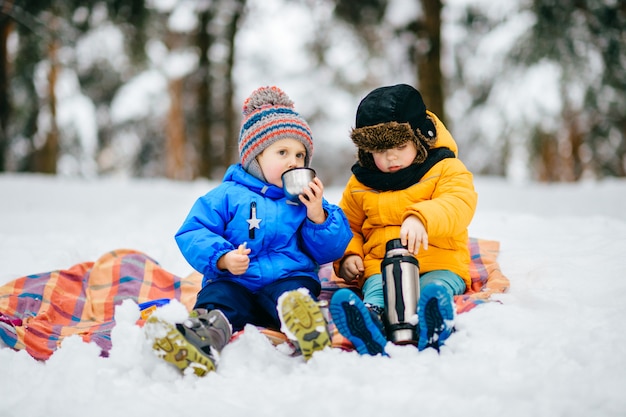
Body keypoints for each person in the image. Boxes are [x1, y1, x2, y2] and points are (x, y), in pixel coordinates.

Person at [147, 86, 352, 376]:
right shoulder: (228, 194)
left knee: (296, 293)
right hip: (236, 280)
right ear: (255, 157)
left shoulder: (305, 200)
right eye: (282, 152)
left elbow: (332, 249)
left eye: (300, 155)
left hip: (287, 277)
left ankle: (304, 325)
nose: (294, 161)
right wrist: (222, 258)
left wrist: (318, 215)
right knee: (219, 296)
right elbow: (193, 230)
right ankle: (203, 338)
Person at [328, 84, 478, 355]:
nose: (391, 156)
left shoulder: (446, 168)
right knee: (377, 293)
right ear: (366, 150)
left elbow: (459, 203)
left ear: (421, 138)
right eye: (380, 149)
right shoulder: (360, 183)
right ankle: (370, 321)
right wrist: (348, 255)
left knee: (433, 288)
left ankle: (433, 319)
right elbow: (348, 225)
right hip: (381, 267)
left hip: (438, 261)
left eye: (400, 145)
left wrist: (423, 218)